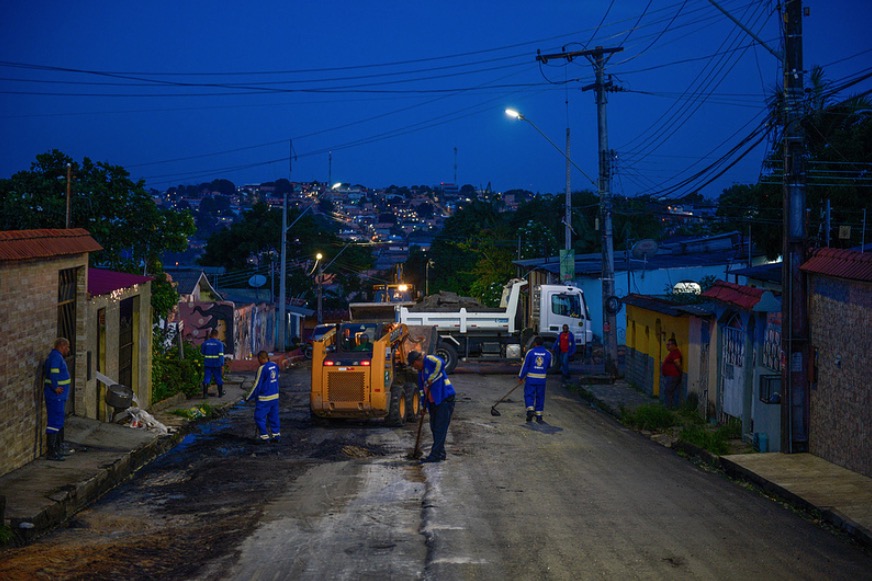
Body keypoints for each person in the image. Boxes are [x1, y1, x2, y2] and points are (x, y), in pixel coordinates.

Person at [408, 350, 455, 463]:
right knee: (434, 427)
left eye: (414, 365)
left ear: (418, 360)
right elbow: (421, 391)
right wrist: (422, 407)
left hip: (444, 399)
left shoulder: (429, 360)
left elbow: (441, 363)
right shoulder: (420, 373)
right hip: (433, 402)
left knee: (440, 428)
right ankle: (440, 453)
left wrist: (432, 378)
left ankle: (435, 455)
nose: (414, 368)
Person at [242, 351, 281, 443]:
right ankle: (276, 435)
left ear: (261, 358)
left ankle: (264, 437)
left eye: (259, 360)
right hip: (275, 396)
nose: (258, 362)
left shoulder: (262, 368)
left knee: (259, 417)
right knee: (274, 416)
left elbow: (257, 385)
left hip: (264, 398)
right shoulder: (275, 366)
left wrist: (248, 397)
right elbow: (277, 378)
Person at [44, 338, 72, 461]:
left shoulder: (56, 357)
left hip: (60, 397)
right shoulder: (56, 358)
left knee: (59, 420)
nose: (68, 350)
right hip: (56, 397)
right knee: (54, 422)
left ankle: (59, 446)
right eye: (67, 347)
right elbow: (53, 373)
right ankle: (52, 450)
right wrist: (55, 387)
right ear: (62, 346)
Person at [519, 336, 552, 424]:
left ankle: (530, 411)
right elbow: (550, 365)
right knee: (540, 397)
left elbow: (525, 366)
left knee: (529, 395)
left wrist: (521, 377)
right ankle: (539, 417)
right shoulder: (548, 353)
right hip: (542, 379)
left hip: (531, 379)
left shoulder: (530, 352)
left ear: (535, 343)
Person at [201, 329, 225, 398]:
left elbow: (202, 353)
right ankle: (220, 394)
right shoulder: (220, 344)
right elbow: (221, 355)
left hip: (207, 363)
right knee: (218, 378)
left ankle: (205, 394)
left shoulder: (205, 343)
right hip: (217, 364)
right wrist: (222, 365)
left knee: (207, 378)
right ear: (217, 335)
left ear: (210, 334)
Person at [661, 337, 683, 409]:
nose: (667, 346)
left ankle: (668, 407)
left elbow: (677, 362)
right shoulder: (672, 353)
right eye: (667, 344)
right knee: (669, 391)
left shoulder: (675, 353)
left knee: (669, 391)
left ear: (673, 345)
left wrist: (680, 371)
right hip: (670, 376)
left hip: (673, 376)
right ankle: (669, 406)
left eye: (669, 345)